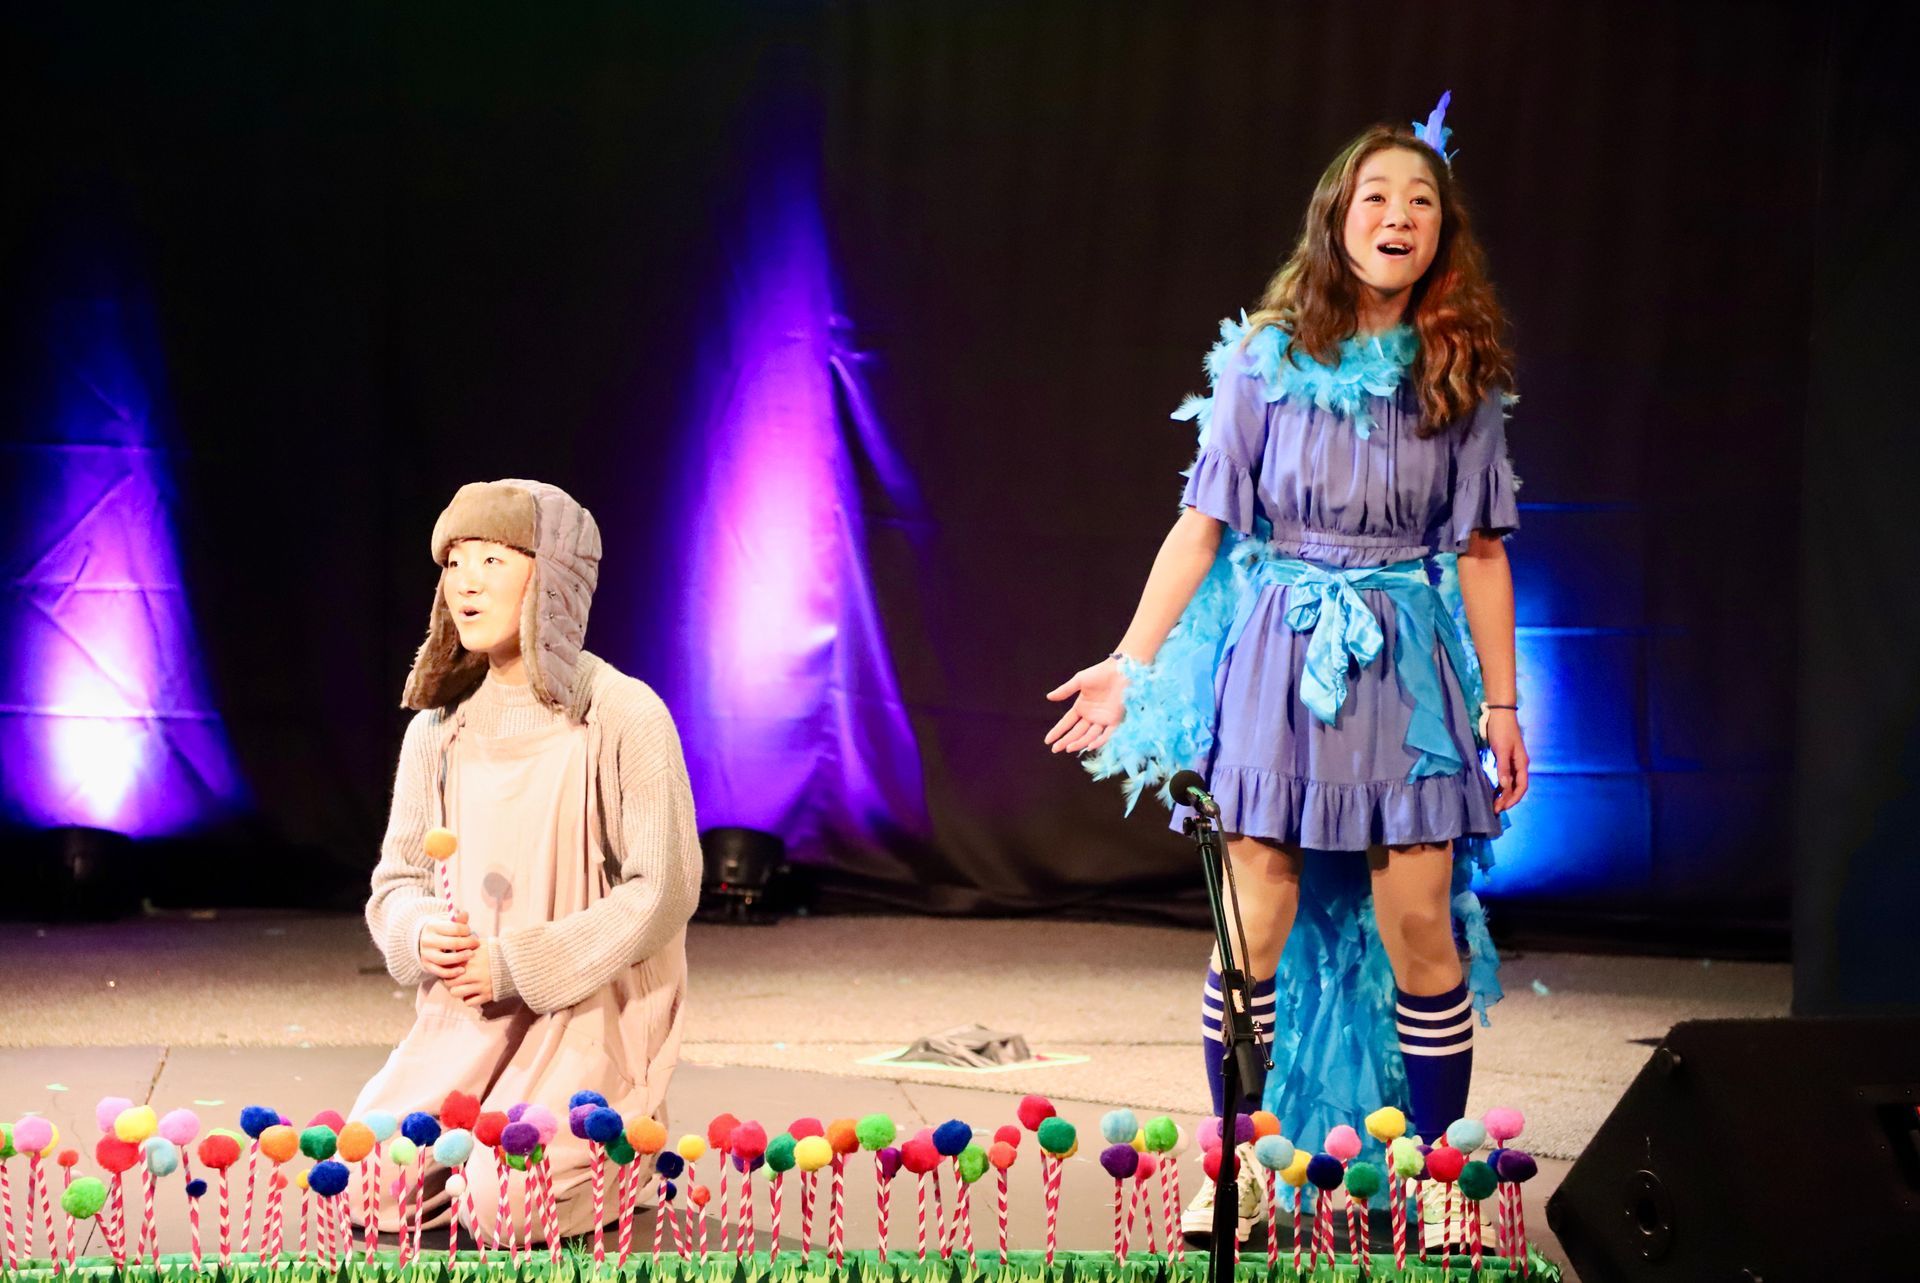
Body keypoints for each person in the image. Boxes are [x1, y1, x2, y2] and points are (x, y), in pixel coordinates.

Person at [1046, 108, 1528, 1248]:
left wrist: (1503, 705)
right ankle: (1243, 1169)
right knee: (1249, 922)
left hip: (1406, 666)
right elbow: (1201, 526)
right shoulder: (1265, 362)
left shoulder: (1460, 374)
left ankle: (1436, 1175)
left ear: (1442, 233)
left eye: (1420, 201)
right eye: (1376, 197)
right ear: (1336, 220)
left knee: (1421, 924)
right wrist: (1129, 661)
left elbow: (1481, 552)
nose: (1397, 216)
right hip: (1278, 658)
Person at [352, 478, 702, 1240]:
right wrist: (419, 932)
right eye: (454, 563)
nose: (466, 583)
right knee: (366, 1177)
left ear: (553, 577)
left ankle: (625, 1156)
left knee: (504, 1199)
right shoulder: (438, 730)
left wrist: (518, 962)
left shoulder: (622, 715)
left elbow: (662, 888)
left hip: (587, 1019)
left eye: (493, 559)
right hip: (466, 1019)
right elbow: (398, 880)